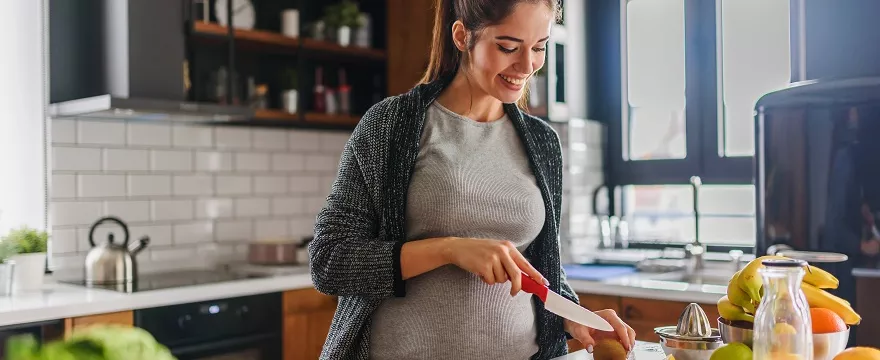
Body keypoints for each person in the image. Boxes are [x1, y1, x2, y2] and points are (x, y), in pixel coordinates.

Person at [308, 0, 636, 358]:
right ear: (462, 36)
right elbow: (330, 260)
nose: (527, 66)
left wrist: (574, 316)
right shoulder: (392, 125)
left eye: (539, 47)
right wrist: (450, 249)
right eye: (508, 47)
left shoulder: (543, 143)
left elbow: (538, 272)